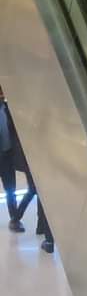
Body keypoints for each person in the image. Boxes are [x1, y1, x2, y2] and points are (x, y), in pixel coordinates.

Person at [0, 90, 53, 252]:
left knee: (33, 188)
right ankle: (16, 218)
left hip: (14, 155)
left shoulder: (9, 109)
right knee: (14, 188)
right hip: (4, 157)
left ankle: (34, 223)